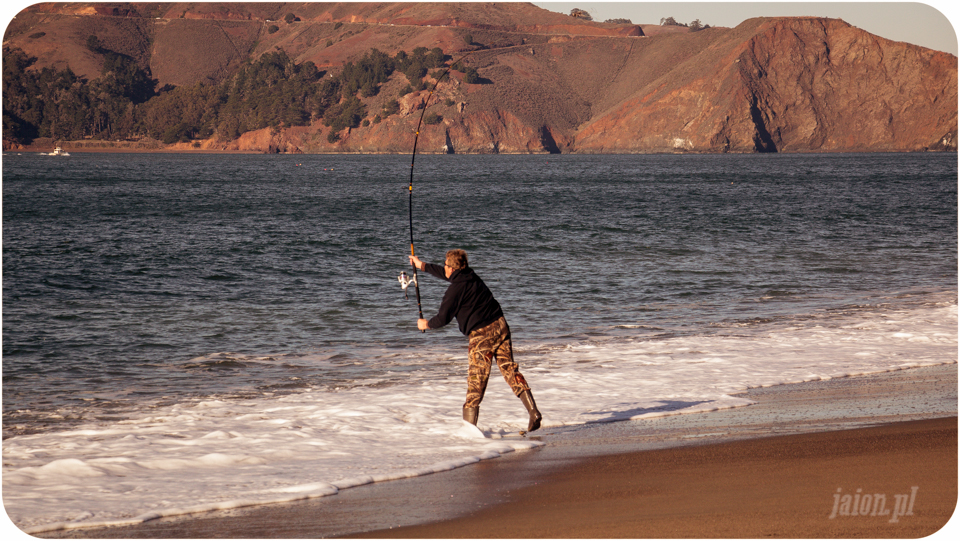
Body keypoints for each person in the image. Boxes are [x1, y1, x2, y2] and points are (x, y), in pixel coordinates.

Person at [409, 249, 542, 433]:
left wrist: (426, 325)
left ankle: (469, 433)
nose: (444, 267)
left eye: (446, 264)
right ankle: (533, 411)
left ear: (453, 268)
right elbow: (446, 273)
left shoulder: (454, 291)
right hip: (500, 324)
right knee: (509, 369)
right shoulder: (470, 275)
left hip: (482, 335)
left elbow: (443, 318)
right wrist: (421, 265)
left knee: (475, 382)